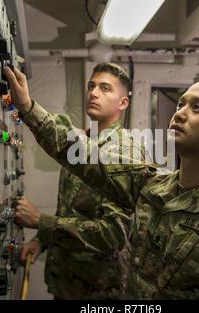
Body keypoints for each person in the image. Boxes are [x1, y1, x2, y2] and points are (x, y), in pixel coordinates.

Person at [4, 66, 199, 299]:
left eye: (198, 108)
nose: (180, 113)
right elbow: (83, 157)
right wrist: (28, 109)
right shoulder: (153, 187)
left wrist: (42, 222)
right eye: (181, 103)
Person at [15, 63, 147, 299]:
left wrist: (41, 221)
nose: (94, 93)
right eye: (91, 86)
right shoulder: (84, 141)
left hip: (99, 291)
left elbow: (112, 234)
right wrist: (41, 240)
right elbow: (72, 207)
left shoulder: (124, 152)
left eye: (105, 88)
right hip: (67, 284)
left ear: (123, 102)